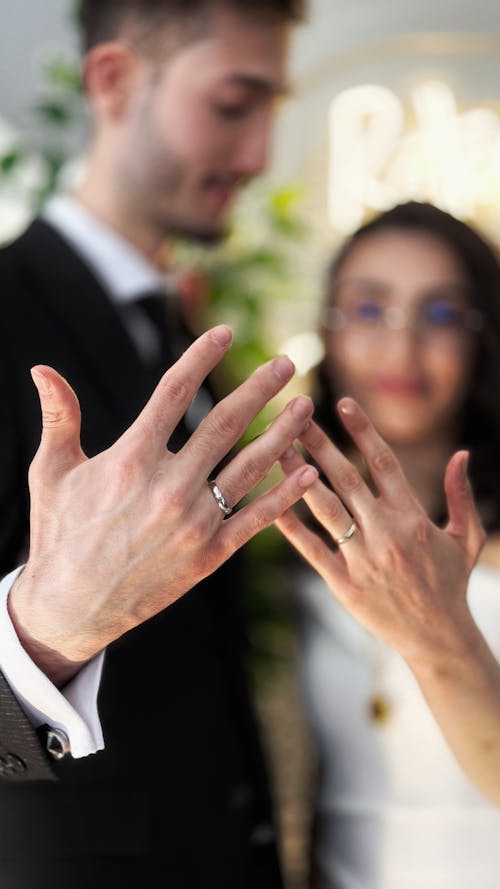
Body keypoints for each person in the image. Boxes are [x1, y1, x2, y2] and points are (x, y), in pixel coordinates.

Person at [0, 2, 309, 887]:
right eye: (232, 105)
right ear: (113, 82)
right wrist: (48, 630)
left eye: (271, 110)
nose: (257, 158)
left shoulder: (177, 325)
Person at [276, 202, 500, 888]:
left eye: (440, 315)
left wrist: (440, 629)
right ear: (328, 327)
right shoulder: (281, 544)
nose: (401, 350)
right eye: (370, 310)